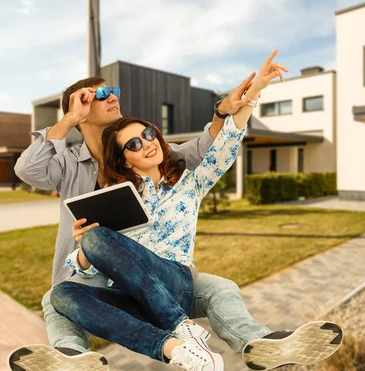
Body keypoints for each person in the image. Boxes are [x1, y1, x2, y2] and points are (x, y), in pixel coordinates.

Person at [8, 51, 342, 371]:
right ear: (123, 159)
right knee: (60, 294)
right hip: (112, 280)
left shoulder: (182, 178)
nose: (113, 98)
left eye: (150, 134)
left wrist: (242, 100)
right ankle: (90, 357)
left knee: (218, 288)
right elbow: (28, 171)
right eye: (101, 95)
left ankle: (251, 342)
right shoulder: (80, 170)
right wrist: (70, 118)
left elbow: (217, 147)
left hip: (170, 278)